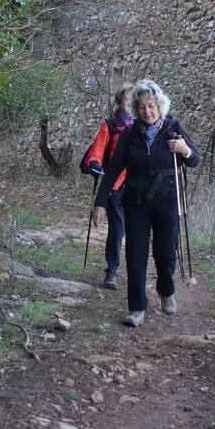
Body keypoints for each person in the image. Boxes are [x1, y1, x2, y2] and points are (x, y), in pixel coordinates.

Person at [92, 78, 200, 327]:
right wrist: (100, 203)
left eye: (151, 105)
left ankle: (166, 289)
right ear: (135, 108)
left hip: (167, 201)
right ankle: (136, 307)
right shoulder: (129, 134)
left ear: (159, 105)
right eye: (141, 107)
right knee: (135, 255)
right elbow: (113, 169)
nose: (147, 111)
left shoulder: (173, 128)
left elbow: (195, 160)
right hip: (136, 201)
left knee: (165, 255)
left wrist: (184, 150)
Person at [84, 82, 134, 289]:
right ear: (119, 101)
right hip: (114, 185)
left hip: (137, 185)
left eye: (134, 100)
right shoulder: (110, 125)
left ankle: (136, 271)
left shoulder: (143, 125)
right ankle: (112, 269)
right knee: (117, 228)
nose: (130, 104)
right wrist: (94, 164)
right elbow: (97, 150)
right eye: (126, 100)